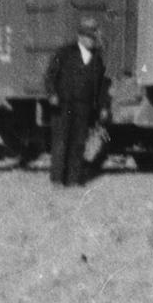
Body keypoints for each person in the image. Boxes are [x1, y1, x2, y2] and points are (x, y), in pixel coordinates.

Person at [43, 16, 108, 186]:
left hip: (83, 107)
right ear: (80, 37)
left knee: (78, 144)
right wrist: (52, 94)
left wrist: (102, 107)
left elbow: (101, 86)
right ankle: (57, 179)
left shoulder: (97, 60)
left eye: (93, 37)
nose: (92, 40)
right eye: (88, 37)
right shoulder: (64, 53)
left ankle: (73, 180)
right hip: (63, 105)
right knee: (61, 142)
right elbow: (50, 75)